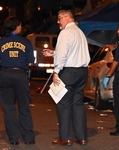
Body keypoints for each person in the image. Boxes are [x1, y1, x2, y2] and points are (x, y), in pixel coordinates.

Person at [43, 10, 90, 146]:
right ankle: (81, 137)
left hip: (69, 72)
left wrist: (56, 71)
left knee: (63, 104)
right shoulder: (80, 32)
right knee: (78, 104)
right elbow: (73, 52)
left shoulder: (65, 33)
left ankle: (66, 137)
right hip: (82, 72)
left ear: (67, 18)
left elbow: (63, 54)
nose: (58, 22)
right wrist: (54, 53)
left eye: (59, 19)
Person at [0, 16, 35, 145]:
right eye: (20, 25)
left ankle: (13, 138)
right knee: (24, 107)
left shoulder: (1, 42)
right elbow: (30, 61)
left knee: (9, 108)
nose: (21, 28)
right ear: (17, 27)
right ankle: (28, 138)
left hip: (5, 74)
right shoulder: (26, 42)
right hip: (20, 74)